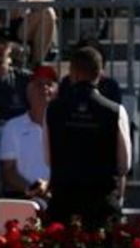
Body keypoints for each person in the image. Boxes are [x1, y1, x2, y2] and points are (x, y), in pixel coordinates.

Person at [44, 45, 131, 229]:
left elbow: (48, 158)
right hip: (101, 202)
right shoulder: (115, 111)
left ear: (72, 73)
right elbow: (124, 165)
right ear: (100, 73)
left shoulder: (53, 109)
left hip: (63, 200)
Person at [0, 64, 57, 201]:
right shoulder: (13, 127)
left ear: (57, 92)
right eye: (38, 84)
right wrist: (33, 190)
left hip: (58, 198)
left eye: (49, 84)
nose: (44, 88)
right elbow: (8, 171)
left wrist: (49, 188)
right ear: (28, 91)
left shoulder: (64, 127)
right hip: (24, 198)